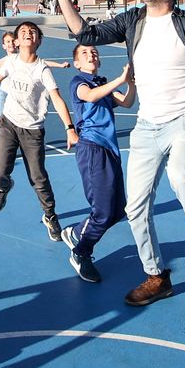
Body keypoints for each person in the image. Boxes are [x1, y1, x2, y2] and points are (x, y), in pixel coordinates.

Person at [42, 0, 185, 308]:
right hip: (147, 125)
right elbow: (85, 33)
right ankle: (156, 276)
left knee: (181, 176)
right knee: (135, 207)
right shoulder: (132, 20)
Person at [0, 21, 79, 242]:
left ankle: (50, 216)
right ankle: (3, 188)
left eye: (32, 31)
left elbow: (58, 100)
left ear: (39, 40)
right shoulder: (10, 62)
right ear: (17, 40)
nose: (28, 33)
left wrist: (69, 128)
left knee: (38, 178)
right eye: (23, 31)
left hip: (33, 131)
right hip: (9, 123)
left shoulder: (42, 69)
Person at [60, 44, 134, 283]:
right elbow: (90, 96)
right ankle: (81, 253)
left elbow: (127, 102)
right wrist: (119, 78)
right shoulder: (78, 83)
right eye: (84, 53)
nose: (91, 54)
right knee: (102, 212)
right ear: (78, 63)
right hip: (92, 149)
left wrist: (131, 82)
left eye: (94, 52)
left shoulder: (101, 84)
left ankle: (76, 231)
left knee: (118, 209)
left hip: (110, 150)